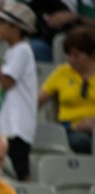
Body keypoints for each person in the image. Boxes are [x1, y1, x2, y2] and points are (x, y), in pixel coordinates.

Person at [0, 0, 38, 181]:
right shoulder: (14, 51)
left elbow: (7, 82)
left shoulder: (22, 50)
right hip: (10, 125)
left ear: (15, 27)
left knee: (20, 173)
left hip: (18, 126)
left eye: (1, 22)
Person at [39, 26, 95, 154]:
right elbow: (39, 99)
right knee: (81, 142)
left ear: (91, 54)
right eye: (69, 55)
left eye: (76, 55)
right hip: (70, 129)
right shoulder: (62, 72)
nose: (71, 60)